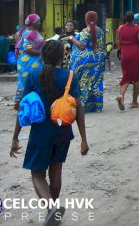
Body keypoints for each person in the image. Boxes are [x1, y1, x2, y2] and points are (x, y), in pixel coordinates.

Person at [10, 40, 89, 225]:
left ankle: (51, 209)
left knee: (37, 174)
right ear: (62, 56)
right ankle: (53, 212)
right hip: (63, 133)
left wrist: (15, 137)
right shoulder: (70, 75)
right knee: (56, 170)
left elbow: (24, 108)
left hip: (40, 133)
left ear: (43, 55)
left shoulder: (32, 75)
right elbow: (79, 108)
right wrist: (83, 139)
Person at [64, 11, 106, 113]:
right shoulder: (100, 30)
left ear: (86, 19)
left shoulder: (85, 31)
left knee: (83, 82)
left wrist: (71, 38)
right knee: (96, 82)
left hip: (86, 61)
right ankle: (97, 106)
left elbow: (82, 46)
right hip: (99, 60)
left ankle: (83, 106)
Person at [115, 11, 139, 110]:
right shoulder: (137, 28)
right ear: (134, 19)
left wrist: (121, 50)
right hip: (136, 54)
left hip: (125, 53)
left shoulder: (120, 28)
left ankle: (121, 97)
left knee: (126, 77)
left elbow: (118, 43)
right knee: (137, 79)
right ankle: (134, 102)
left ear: (125, 18)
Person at [14, 14, 45, 110]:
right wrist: (42, 53)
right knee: (25, 81)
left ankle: (31, 103)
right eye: (38, 21)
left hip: (35, 61)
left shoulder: (34, 32)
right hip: (27, 62)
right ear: (34, 23)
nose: (40, 23)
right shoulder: (28, 33)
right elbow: (28, 50)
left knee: (35, 81)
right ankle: (18, 104)